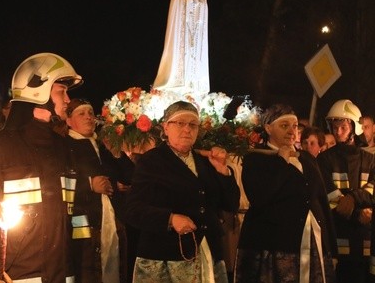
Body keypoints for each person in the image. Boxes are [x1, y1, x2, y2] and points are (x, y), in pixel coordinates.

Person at [0, 52, 83, 283]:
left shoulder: (63, 148)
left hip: (64, 275)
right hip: (17, 277)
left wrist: (84, 271)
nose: (68, 100)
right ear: (38, 90)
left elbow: (77, 219)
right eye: (61, 91)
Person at [125, 100, 239, 283]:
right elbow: (133, 210)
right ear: (166, 127)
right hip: (166, 256)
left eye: (193, 125)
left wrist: (223, 171)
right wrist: (170, 219)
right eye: (180, 123)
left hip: (207, 251)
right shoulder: (151, 161)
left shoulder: (205, 162)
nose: (187, 129)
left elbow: (231, 204)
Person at [234, 103, 337, 283]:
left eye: (295, 126)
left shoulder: (307, 158)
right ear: (268, 128)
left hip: (313, 240)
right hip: (277, 245)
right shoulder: (256, 158)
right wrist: (281, 162)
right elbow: (260, 197)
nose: (292, 131)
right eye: (284, 126)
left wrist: (332, 248)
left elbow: (321, 200)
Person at [65, 98, 124, 283]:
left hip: (112, 222)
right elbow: (58, 182)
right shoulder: (65, 146)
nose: (88, 118)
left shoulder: (101, 146)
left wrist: (117, 153)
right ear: (68, 121)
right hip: (84, 226)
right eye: (81, 114)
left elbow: (127, 174)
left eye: (90, 113)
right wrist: (89, 185)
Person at [317, 99, 375, 283]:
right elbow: (328, 195)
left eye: (342, 126)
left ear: (354, 127)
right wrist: (357, 213)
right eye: (334, 127)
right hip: (337, 238)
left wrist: (353, 198)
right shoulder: (324, 159)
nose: (337, 131)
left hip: (367, 240)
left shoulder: (370, 159)